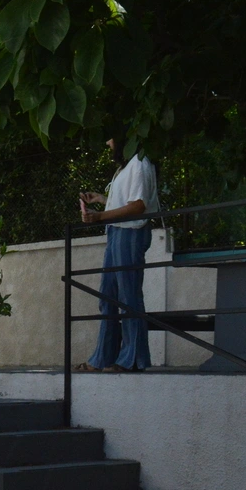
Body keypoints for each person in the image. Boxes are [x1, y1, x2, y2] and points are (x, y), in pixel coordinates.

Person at [75, 138, 159, 372]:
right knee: (108, 296)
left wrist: (100, 216)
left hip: (131, 232)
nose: (108, 143)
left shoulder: (140, 163)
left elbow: (138, 205)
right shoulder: (127, 166)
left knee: (128, 296)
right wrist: (102, 200)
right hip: (117, 232)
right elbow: (127, 201)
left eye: (111, 138)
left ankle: (131, 359)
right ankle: (103, 358)